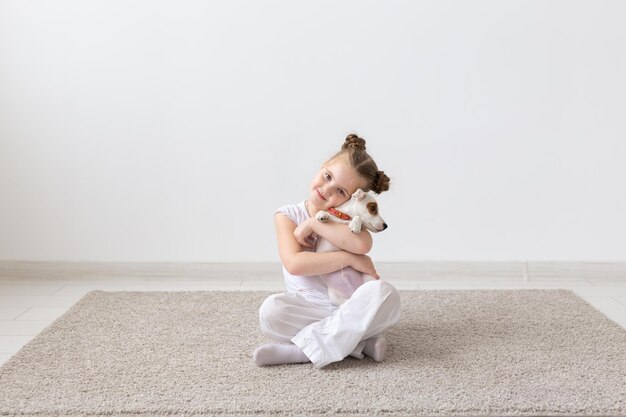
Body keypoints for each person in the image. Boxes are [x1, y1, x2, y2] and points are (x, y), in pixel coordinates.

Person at [253, 134, 401, 369]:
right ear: (322, 167)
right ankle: (358, 344)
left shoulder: (348, 221)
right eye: (327, 176)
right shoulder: (287, 215)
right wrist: (349, 259)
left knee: (386, 294)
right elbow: (295, 263)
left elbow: (363, 245)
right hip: (307, 306)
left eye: (340, 191)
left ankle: (301, 351)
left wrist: (314, 224)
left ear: (353, 199)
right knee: (271, 311)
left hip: (349, 305)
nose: (327, 189)